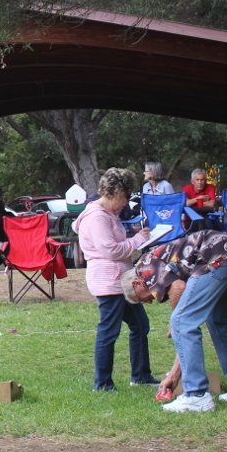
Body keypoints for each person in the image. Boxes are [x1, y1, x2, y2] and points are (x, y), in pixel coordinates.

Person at [123, 229, 227, 412]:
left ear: (137, 284)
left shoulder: (145, 267)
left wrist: (175, 323)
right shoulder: (156, 262)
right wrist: (175, 372)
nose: (149, 302)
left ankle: (196, 395)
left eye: (142, 299)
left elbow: (179, 287)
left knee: (182, 321)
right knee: (217, 319)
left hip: (218, 256)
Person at [73, 168, 156, 392]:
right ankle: (102, 383)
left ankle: (141, 376)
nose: (126, 203)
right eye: (126, 197)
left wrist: (136, 240)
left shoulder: (109, 215)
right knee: (109, 331)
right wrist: (137, 240)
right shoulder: (97, 216)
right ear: (116, 192)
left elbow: (116, 244)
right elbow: (110, 250)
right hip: (109, 282)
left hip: (121, 280)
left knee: (140, 325)